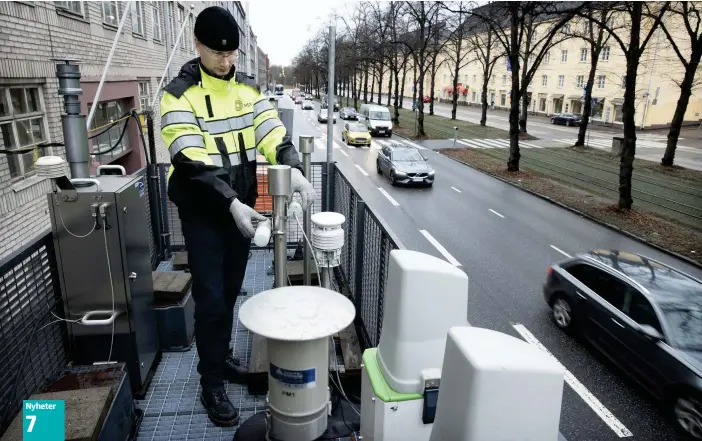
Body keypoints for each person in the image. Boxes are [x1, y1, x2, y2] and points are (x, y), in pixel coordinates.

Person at [159, 6, 316, 427]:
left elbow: (270, 132)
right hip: (205, 212)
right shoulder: (178, 94)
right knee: (210, 298)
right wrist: (230, 202)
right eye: (216, 53)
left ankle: (220, 355)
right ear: (197, 46)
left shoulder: (247, 90)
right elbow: (191, 160)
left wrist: (293, 165)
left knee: (229, 290)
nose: (225, 61)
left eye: (231, 54)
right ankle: (210, 380)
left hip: (240, 209)